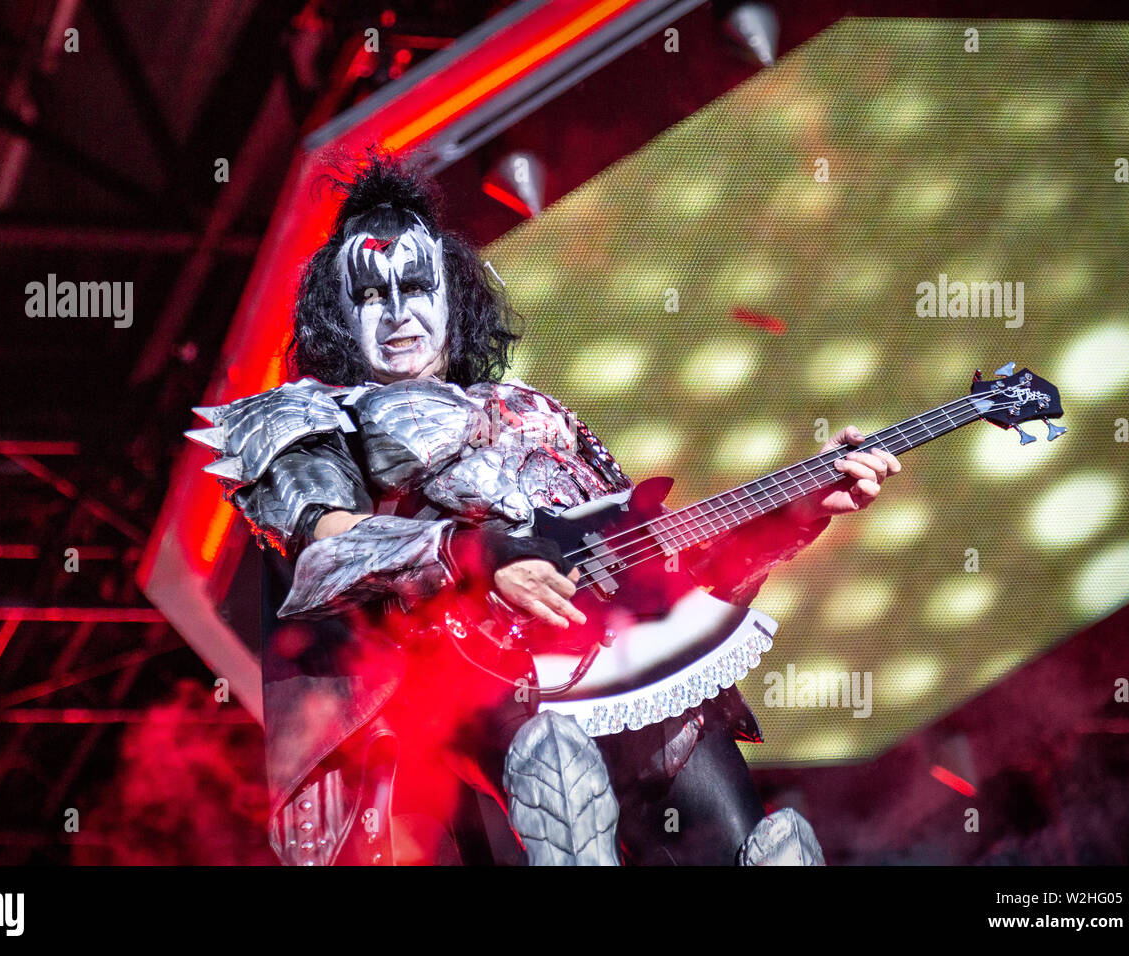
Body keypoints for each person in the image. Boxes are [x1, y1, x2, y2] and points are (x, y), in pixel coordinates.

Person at [188, 150, 900, 865]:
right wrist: (470, 556)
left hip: (629, 674)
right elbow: (327, 547)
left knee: (774, 855)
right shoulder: (311, 416)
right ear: (338, 316)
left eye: (415, 286)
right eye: (373, 297)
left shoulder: (534, 413)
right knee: (559, 778)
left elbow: (655, 567)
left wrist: (796, 516)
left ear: (452, 296)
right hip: (472, 688)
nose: (400, 315)